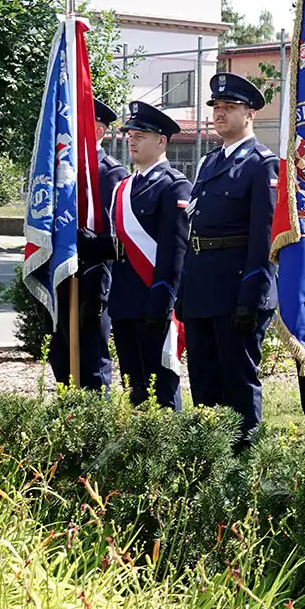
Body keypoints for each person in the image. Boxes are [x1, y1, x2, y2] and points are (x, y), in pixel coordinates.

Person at [179, 72, 279, 444]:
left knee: (238, 382)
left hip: (236, 290)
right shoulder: (208, 163)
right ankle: (210, 457)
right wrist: (185, 289)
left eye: (229, 107)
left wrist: (251, 298)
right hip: (203, 288)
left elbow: (264, 238)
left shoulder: (262, 164)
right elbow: (194, 230)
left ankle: (245, 458)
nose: (220, 113)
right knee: (203, 382)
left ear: (250, 113)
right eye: (217, 107)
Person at [100, 101, 190, 409]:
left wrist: (162, 302)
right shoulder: (123, 187)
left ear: (161, 141)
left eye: (140, 135)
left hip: (155, 300)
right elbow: (119, 245)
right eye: (129, 135)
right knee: (135, 388)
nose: (132, 141)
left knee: (161, 388)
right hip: (124, 300)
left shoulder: (173, 186)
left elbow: (175, 251)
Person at [51, 98, 129, 390]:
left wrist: (91, 247)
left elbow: (117, 237)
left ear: (99, 131)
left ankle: (95, 414)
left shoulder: (111, 173)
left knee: (91, 356)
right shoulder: (62, 169)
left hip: (94, 275)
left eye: (82, 124)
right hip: (62, 271)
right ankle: (69, 410)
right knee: (61, 353)